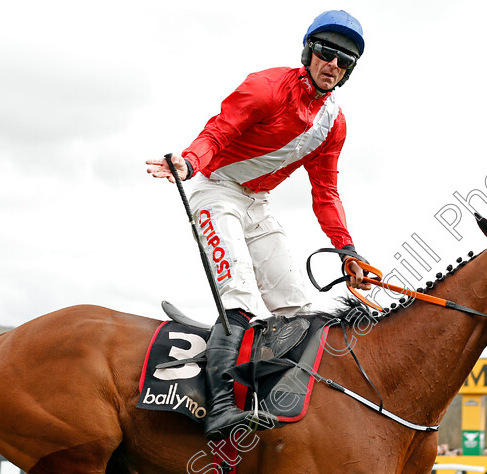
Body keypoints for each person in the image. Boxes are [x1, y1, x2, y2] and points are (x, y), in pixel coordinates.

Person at [146, 10, 371, 441]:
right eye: (326, 53)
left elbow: (325, 190)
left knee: (299, 311)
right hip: (216, 189)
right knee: (241, 299)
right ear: (309, 52)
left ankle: (273, 399)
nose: (333, 66)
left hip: (258, 203)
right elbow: (218, 132)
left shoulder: (334, 124)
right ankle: (219, 409)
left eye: (344, 62)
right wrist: (190, 162)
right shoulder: (266, 86)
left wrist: (346, 249)